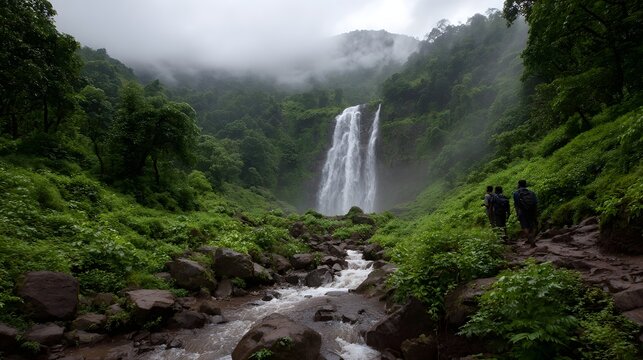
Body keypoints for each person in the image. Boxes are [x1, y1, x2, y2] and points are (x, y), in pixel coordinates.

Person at [513, 180, 538, 247]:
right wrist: (535, 212)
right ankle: (532, 239)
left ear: (518, 185)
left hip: (522, 212)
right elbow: (535, 203)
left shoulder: (516, 193)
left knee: (525, 226)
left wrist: (517, 213)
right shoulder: (531, 192)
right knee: (532, 226)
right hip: (532, 211)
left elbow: (516, 205)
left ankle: (531, 240)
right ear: (525, 185)